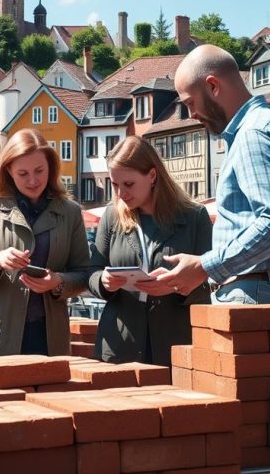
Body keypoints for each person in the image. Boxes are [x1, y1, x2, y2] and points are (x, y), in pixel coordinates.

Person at [158, 45, 270, 304]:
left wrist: (205, 266)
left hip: (257, 292)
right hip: (265, 287)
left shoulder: (253, 135)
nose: (192, 115)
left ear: (213, 86)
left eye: (190, 103)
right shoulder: (263, 125)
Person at [0, 129, 91, 357]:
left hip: (49, 334)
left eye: (40, 170)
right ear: (8, 171)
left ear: (51, 166)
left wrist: (58, 282)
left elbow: (85, 274)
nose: (33, 180)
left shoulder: (70, 212)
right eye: (23, 173)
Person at [87, 136, 213, 367]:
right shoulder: (111, 216)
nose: (120, 194)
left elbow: (210, 280)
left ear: (152, 176)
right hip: (119, 344)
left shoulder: (195, 217)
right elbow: (92, 271)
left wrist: (178, 285)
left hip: (175, 345)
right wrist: (103, 281)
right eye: (114, 185)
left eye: (129, 184)